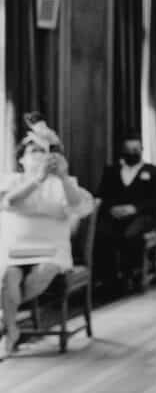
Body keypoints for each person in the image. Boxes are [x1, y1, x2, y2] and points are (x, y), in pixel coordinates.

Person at [1, 119, 93, 355]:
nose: (39, 155)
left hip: (51, 249)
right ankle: (12, 329)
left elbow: (78, 206)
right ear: (21, 159)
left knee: (44, 271)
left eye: (43, 151)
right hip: (15, 249)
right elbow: (10, 201)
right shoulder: (12, 180)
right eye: (33, 151)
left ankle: (5, 315)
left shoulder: (63, 183)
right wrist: (38, 180)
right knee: (8, 276)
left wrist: (61, 177)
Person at [94, 130, 156, 289]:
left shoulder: (153, 171)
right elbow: (101, 194)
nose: (132, 153)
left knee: (131, 235)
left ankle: (131, 274)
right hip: (114, 216)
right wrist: (111, 208)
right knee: (101, 233)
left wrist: (134, 208)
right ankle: (108, 279)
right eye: (128, 150)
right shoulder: (111, 170)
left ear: (141, 150)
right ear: (122, 151)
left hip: (142, 217)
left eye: (135, 150)